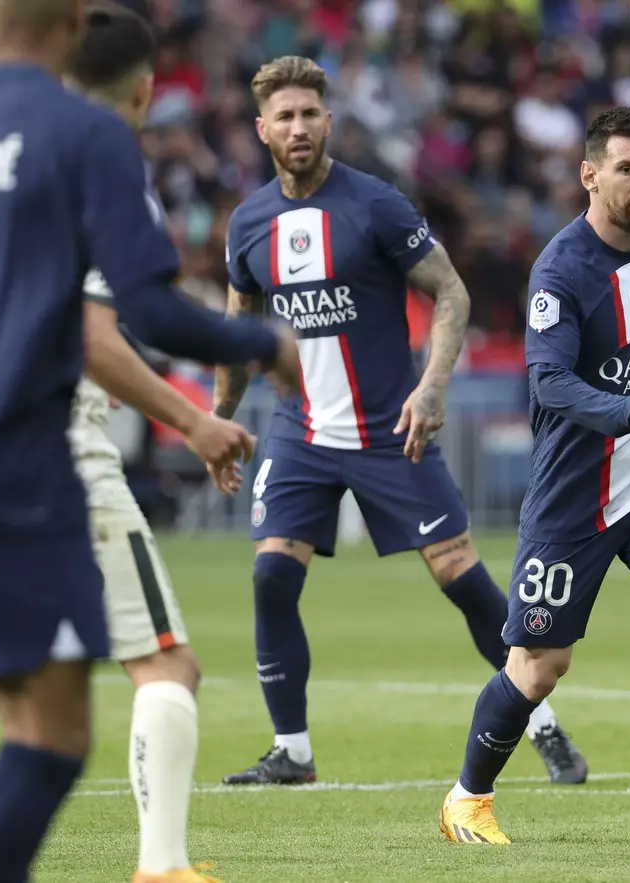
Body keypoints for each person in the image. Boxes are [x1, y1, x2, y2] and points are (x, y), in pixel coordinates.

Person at [0, 0, 297, 879]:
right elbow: (114, 323)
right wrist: (260, 351)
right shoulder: (83, 141)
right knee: (125, 687)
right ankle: (165, 865)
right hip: (21, 454)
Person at [211, 56, 588, 787]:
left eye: (309, 114)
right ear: (262, 129)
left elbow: (450, 291)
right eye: (283, 116)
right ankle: (292, 750)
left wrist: (433, 386)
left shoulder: (375, 205)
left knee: (463, 580)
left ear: (329, 121)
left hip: (393, 429)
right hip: (302, 434)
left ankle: (539, 722)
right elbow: (238, 331)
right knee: (269, 577)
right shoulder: (249, 224)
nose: (297, 127)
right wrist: (215, 422)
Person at [438, 107, 630, 845]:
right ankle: (466, 800)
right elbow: (550, 383)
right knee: (540, 666)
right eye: (626, 168)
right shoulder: (559, 270)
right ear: (590, 174)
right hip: (572, 496)